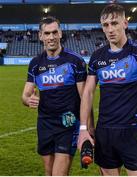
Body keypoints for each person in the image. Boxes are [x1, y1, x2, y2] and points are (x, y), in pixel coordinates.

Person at [78, 4, 137, 176]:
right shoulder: (97, 57)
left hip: (133, 132)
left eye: (114, 23)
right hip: (104, 132)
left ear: (125, 23)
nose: (110, 29)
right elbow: (88, 93)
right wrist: (84, 128)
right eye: (106, 25)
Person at [22, 16, 87, 176]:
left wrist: (87, 128)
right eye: (47, 33)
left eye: (54, 32)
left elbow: (86, 97)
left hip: (68, 123)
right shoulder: (35, 63)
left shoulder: (75, 61)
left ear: (60, 33)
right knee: (49, 172)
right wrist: (27, 100)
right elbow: (25, 94)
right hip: (45, 123)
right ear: (40, 35)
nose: (51, 37)